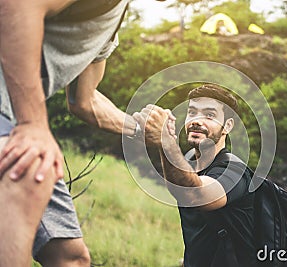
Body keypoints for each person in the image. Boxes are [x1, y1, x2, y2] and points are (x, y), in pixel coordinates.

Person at [0, 0, 171, 266]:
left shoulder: (112, 20)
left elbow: (84, 100)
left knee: (70, 257)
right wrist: (33, 123)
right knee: (29, 174)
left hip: (10, 118)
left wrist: (141, 130)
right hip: (11, 118)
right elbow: (18, 5)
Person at [135, 84, 257, 266]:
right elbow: (181, 190)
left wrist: (165, 141)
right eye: (192, 112)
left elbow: (194, 195)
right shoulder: (190, 163)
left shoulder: (235, 171)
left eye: (209, 115)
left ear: (227, 126)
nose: (197, 120)